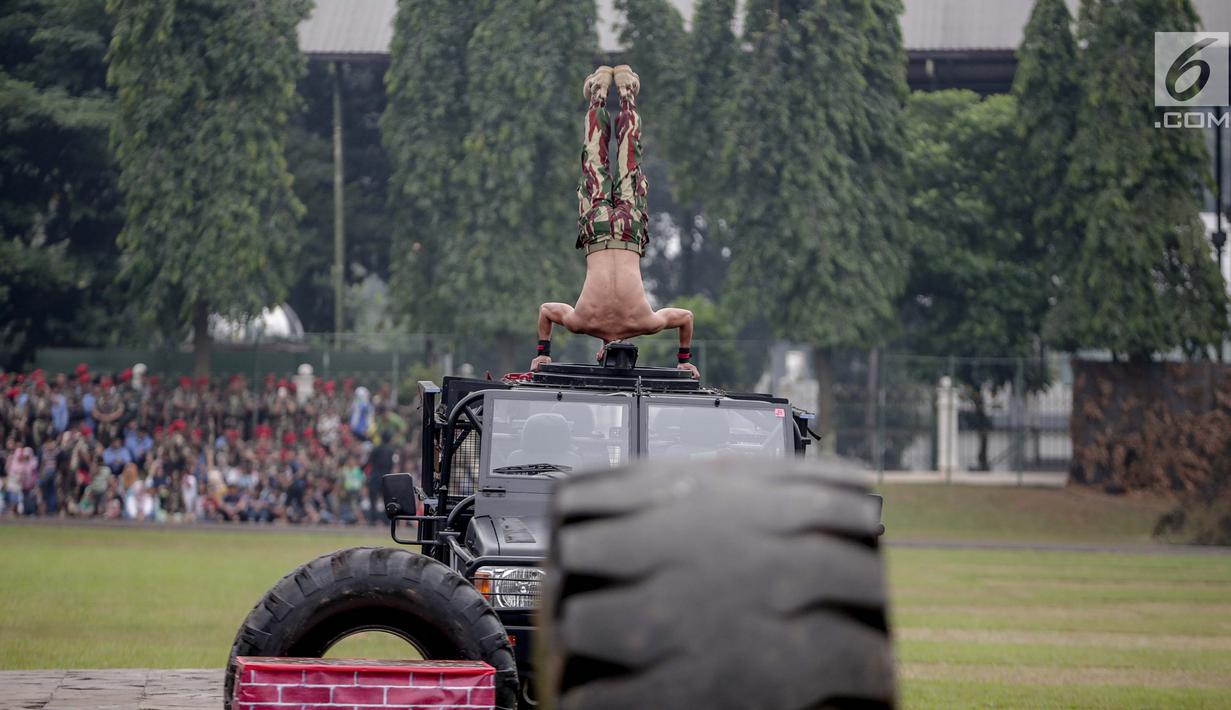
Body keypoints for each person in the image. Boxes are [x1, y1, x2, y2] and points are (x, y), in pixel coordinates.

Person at [532, 65, 699, 378]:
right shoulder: (582, 321)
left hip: (629, 232)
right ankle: (598, 94)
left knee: (629, 161)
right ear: (600, 350)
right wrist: (543, 354)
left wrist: (683, 360)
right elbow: (546, 312)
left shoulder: (643, 322)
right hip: (596, 230)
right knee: (594, 160)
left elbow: (686, 318)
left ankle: (626, 94)